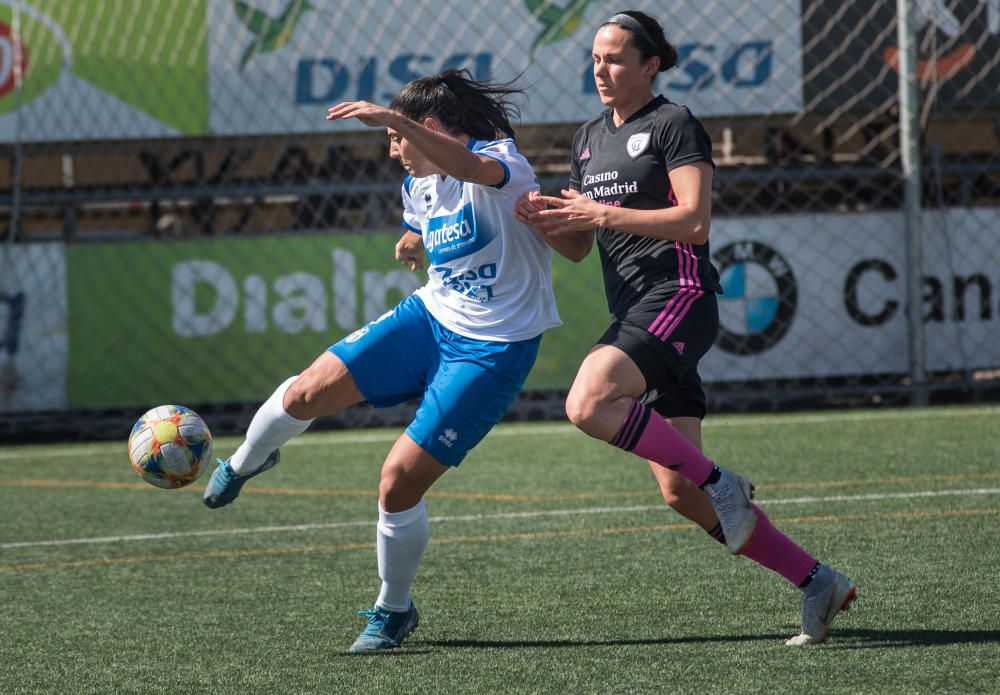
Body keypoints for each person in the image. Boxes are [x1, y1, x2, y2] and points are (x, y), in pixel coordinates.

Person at [515, 10, 857, 646]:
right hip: (637, 311)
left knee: (588, 400)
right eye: (594, 58)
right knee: (679, 491)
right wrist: (549, 223)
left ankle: (721, 480)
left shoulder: (673, 123)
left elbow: (694, 221)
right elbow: (581, 247)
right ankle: (817, 582)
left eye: (616, 58)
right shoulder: (588, 137)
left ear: (650, 65)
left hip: (681, 296)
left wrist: (602, 212)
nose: (601, 68)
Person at [203, 69, 566, 653]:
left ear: (424, 129)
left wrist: (393, 118)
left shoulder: (502, 162)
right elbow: (422, 216)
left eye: (398, 139)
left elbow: (471, 172)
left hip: (495, 346)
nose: (394, 151)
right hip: (429, 316)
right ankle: (245, 460)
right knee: (304, 393)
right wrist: (412, 238)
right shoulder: (419, 184)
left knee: (397, 482)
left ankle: (393, 609)